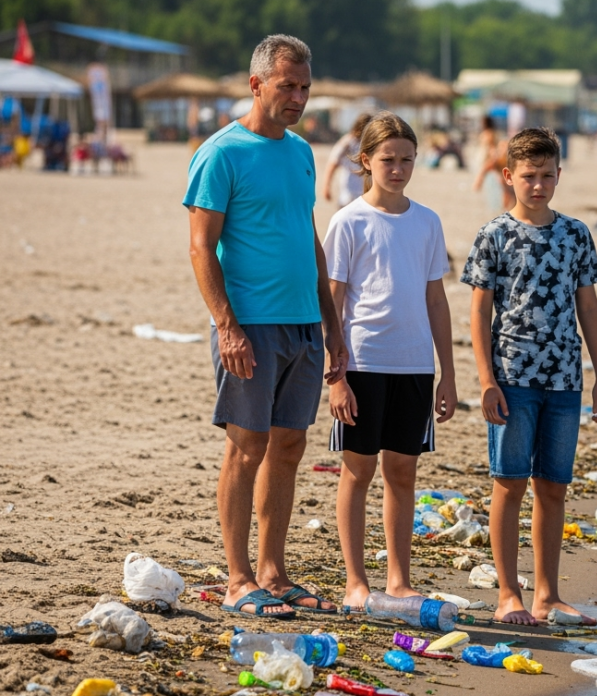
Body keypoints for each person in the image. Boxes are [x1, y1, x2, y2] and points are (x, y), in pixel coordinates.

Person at [185, 34, 347, 618]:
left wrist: (332, 324)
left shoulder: (302, 151)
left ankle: (274, 572)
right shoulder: (221, 153)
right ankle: (237, 578)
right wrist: (226, 326)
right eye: (287, 85)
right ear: (256, 84)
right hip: (249, 325)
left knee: (290, 446)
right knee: (246, 446)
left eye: (305, 86)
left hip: (304, 322)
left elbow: (309, 241)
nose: (298, 96)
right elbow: (202, 248)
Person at [461, 127, 597, 625]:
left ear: (559, 175)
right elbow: (478, 311)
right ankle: (509, 594)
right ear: (509, 176)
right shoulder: (494, 234)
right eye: (528, 176)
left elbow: (589, 307)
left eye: (547, 175)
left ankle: (547, 595)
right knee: (509, 483)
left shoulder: (575, 234)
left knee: (554, 486)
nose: (538, 185)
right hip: (511, 378)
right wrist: (485, 379)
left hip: (565, 380)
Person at [322, 112, 457, 612]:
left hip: (416, 366)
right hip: (362, 364)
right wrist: (336, 376)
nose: (397, 169)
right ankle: (356, 581)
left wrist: (447, 372)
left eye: (406, 160)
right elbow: (333, 302)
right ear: (366, 161)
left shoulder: (427, 221)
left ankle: (399, 580)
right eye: (387, 160)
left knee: (403, 471)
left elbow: (436, 302)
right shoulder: (348, 220)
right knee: (357, 471)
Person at [322, 113, 371, 208]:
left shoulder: (371, 143)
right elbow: (333, 163)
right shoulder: (347, 142)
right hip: (349, 194)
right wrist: (326, 186)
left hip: (367, 194)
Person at [472, 116, 513, 212]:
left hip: (488, 158)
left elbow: (491, 147)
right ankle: (504, 207)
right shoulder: (492, 133)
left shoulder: (488, 134)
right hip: (488, 159)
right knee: (501, 184)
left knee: (501, 184)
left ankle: (504, 207)